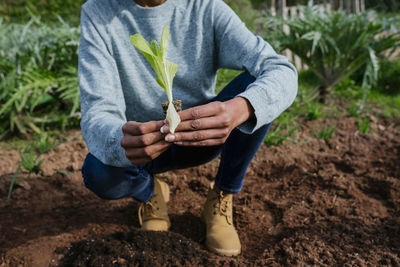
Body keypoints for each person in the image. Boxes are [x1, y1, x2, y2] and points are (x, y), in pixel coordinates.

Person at [79, 0, 297, 257]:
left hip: (201, 139)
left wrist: (241, 108)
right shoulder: (99, 11)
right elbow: (97, 111)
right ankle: (148, 192)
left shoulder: (205, 7)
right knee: (98, 172)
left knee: (257, 88)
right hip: (141, 152)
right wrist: (120, 140)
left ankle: (223, 194)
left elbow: (281, 70)